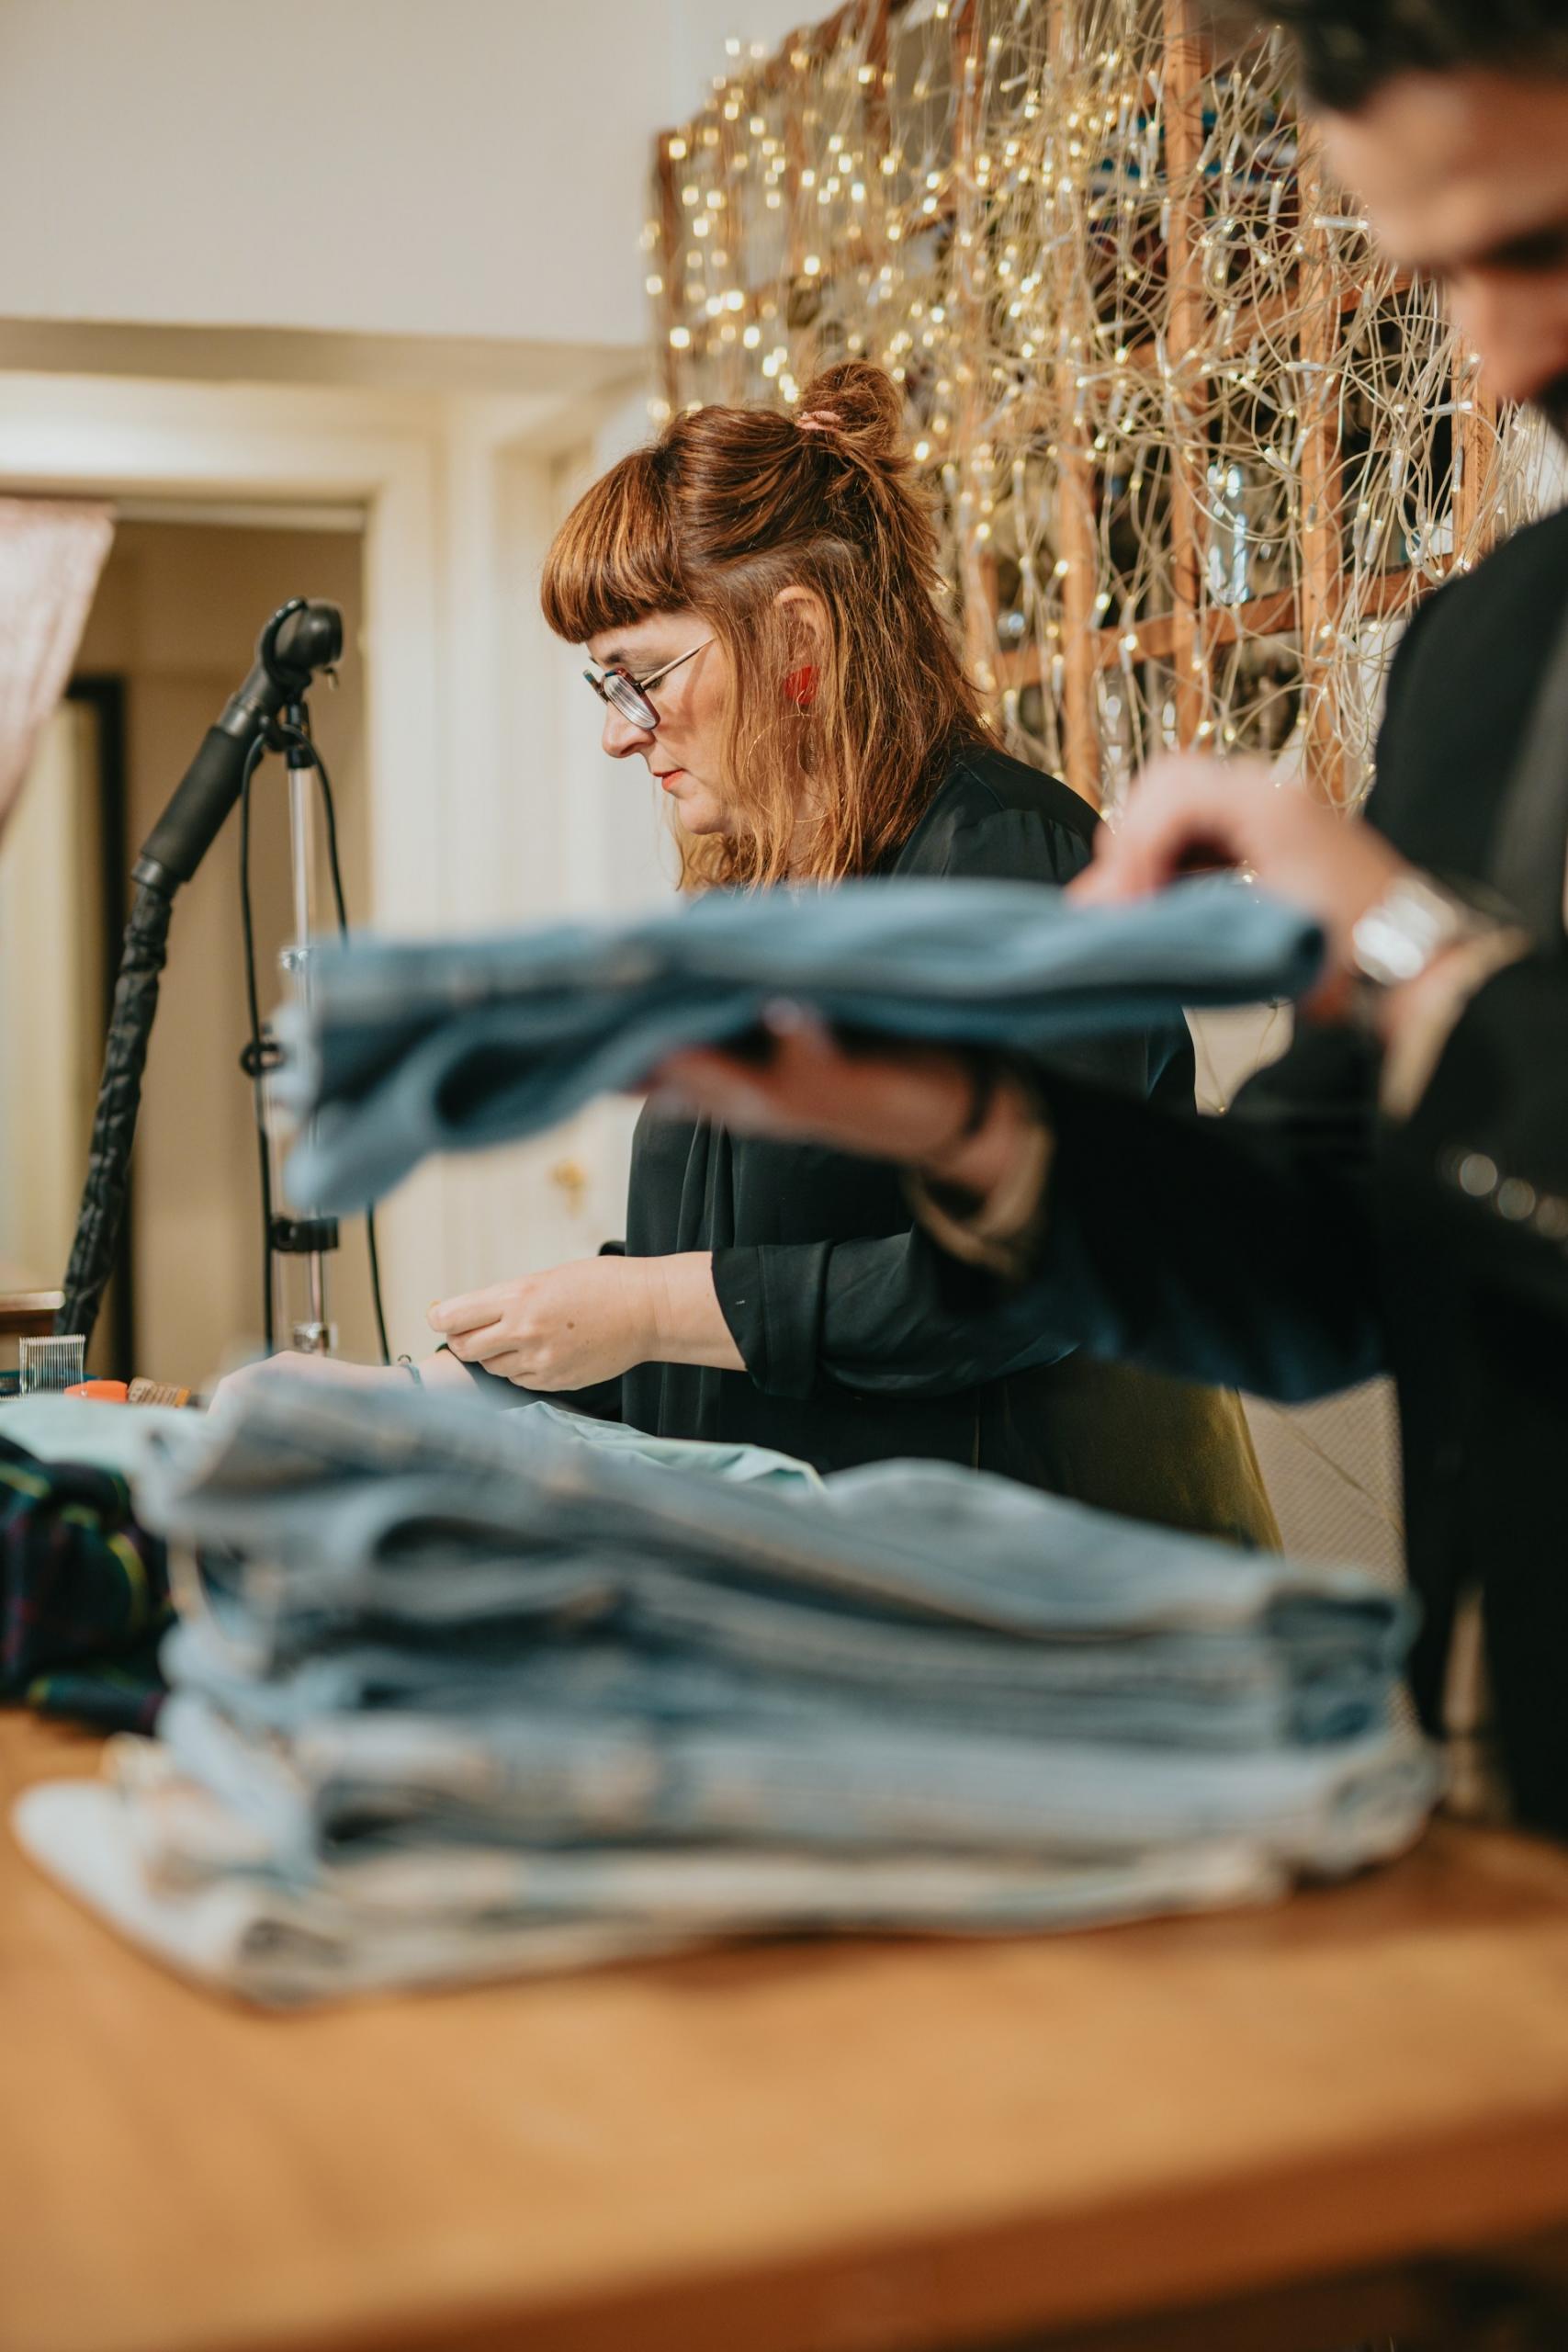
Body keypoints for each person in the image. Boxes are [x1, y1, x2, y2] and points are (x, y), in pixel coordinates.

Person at [651, 0, 1568, 1834]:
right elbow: (1314, 1270)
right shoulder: (1485, 655)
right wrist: (973, 1127)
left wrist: (1405, 946)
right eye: (1433, 275)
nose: (1492, 351)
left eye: (1535, 245)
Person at [235, 360, 1275, 1540]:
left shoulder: (1020, 861)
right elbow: (716, 1280)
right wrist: (432, 1391)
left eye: (643, 678)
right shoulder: (758, 895)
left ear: (796, 640)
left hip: (1043, 1617)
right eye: (602, 684)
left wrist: (650, 1304)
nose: (619, 738)